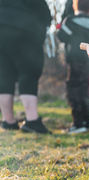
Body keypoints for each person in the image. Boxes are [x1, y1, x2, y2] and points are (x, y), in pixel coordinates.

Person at [0, 0, 52, 134]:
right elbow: (44, 13)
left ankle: (8, 121)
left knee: (4, 76)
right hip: (25, 30)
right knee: (29, 73)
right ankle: (32, 121)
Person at [58, 0, 89, 134]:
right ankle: (87, 120)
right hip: (88, 63)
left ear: (75, 5)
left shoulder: (69, 20)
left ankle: (78, 123)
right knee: (86, 89)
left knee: (74, 91)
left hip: (74, 61)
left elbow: (61, 36)